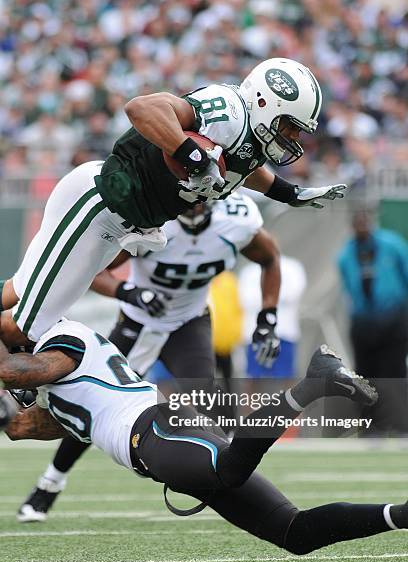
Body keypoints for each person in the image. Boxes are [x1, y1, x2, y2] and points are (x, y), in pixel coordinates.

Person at [3, 57, 346, 347]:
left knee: (18, 293)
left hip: (122, 221)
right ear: (263, 103)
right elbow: (142, 107)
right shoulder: (228, 112)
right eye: (289, 126)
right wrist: (192, 155)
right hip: (101, 202)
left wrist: (290, 194)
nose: (292, 138)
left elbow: (244, 170)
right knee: (26, 327)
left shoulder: (251, 142)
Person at [5, 318, 408, 555]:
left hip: (154, 429)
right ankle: (402, 515)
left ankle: (312, 383)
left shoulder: (62, 337)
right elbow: (20, 426)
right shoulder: (57, 395)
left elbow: (20, 371)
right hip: (164, 444)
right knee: (293, 533)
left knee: (231, 469)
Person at [15, 190, 282, 521]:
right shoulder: (157, 218)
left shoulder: (237, 220)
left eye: (203, 195)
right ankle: (49, 484)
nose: (195, 204)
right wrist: (129, 291)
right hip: (139, 322)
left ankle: (229, 488)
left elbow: (270, 258)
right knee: (91, 406)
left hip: (189, 321)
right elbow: (95, 272)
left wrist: (267, 317)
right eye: (190, 195)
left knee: (205, 402)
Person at [337, 210, 408, 435]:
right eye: (357, 223)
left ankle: (398, 424)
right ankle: (370, 426)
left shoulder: (392, 245)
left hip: (393, 318)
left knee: (394, 372)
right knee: (365, 374)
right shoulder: (346, 255)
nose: (362, 226)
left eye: (365, 221)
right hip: (363, 321)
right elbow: (350, 287)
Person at [239, 254, 307, 378]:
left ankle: (287, 398)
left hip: (285, 334)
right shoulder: (248, 272)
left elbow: (293, 294)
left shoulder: (292, 267)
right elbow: (245, 299)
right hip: (255, 335)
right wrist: (272, 297)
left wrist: (266, 297)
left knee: (285, 377)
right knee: (254, 378)